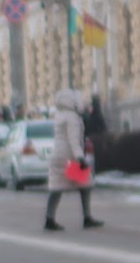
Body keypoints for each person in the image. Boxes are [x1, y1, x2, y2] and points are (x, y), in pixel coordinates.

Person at [44, 88, 103, 232]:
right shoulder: (72, 118)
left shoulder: (59, 115)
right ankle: (87, 218)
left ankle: (49, 218)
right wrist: (80, 158)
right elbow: (73, 140)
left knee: (56, 188)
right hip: (70, 157)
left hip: (57, 155)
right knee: (86, 185)